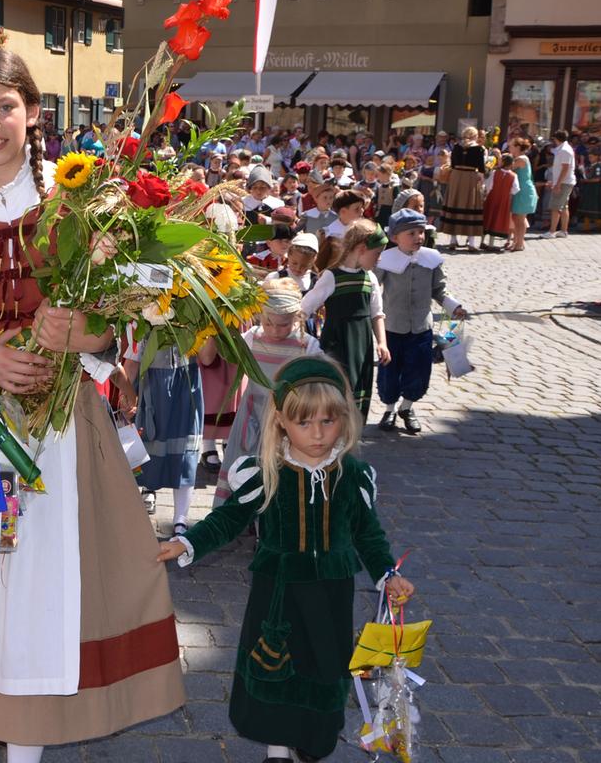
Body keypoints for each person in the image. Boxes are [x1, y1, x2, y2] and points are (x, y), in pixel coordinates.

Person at [0, 48, 184, 763]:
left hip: (67, 424)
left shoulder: (78, 205)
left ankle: (31, 738)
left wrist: (87, 331)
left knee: (55, 574)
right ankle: (12, 723)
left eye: (5, 106)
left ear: (34, 113)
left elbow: (118, 318)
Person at [158, 355, 416, 763]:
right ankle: (277, 752)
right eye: (304, 423)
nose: (317, 434)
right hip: (277, 596)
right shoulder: (264, 474)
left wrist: (388, 574)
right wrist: (189, 543)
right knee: (275, 668)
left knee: (325, 671)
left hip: (332, 596)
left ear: (344, 419)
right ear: (281, 421)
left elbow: (368, 534)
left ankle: (312, 741)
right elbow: (228, 519)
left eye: (327, 422)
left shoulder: (352, 476)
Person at [213, 278, 321, 503]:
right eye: (268, 322)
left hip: (287, 426)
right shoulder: (252, 338)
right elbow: (222, 354)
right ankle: (240, 530)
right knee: (244, 477)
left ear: (296, 316)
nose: (274, 329)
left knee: (279, 483)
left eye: (283, 324)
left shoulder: (307, 346)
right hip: (251, 420)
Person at [375, 208, 466, 433]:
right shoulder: (385, 260)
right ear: (395, 237)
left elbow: (439, 290)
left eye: (421, 232)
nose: (418, 237)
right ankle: (389, 409)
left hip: (421, 328)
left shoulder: (431, 259)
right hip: (392, 327)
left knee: (418, 371)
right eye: (411, 233)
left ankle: (407, 407)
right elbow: (374, 289)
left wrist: (454, 307)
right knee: (389, 373)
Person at [301, 220, 391, 422]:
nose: (378, 260)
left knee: (358, 390)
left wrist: (382, 343)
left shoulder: (370, 278)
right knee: (338, 391)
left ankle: (353, 437)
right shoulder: (332, 277)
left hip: (362, 345)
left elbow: (377, 313)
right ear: (361, 249)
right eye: (376, 254)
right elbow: (305, 307)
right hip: (338, 344)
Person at [124, 330, 203, 535]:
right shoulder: (141, 322)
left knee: (185, 449)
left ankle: (181, 518)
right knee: (143, 451)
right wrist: (124, 394)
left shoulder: (194, 316)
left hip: (184, 388)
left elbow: (207, 356)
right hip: (152, 391)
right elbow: (132, 361)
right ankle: (136, 504)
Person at [441, 126, 486, 251]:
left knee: (455, 204)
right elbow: (481, 168)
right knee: (470, 206)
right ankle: (471, 243)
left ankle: (452, 240)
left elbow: (453, 164)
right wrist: (481, 182)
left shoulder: (456, 147)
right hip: (470, 177)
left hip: (456, 176)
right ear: (475, 136)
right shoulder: (478, 149)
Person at [544, 129, 576, 239]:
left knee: (555, 207)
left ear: (556, 139)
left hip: (564, 183)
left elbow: (565, 168)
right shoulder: (564, 149)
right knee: (563, 207)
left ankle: (552, 231)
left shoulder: (565, 150)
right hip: (565, 182)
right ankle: (563, 231)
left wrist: (557, 184)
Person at [508, 137, 537, 252]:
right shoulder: (518, 158)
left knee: (519, 219)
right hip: (519, 191)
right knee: (516, 217)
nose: (509, 148)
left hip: (524, 191)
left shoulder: (521, 159)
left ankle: (519, 243)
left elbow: (508, 168)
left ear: (518, 147)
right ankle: (517, 242)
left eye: (511, 146)